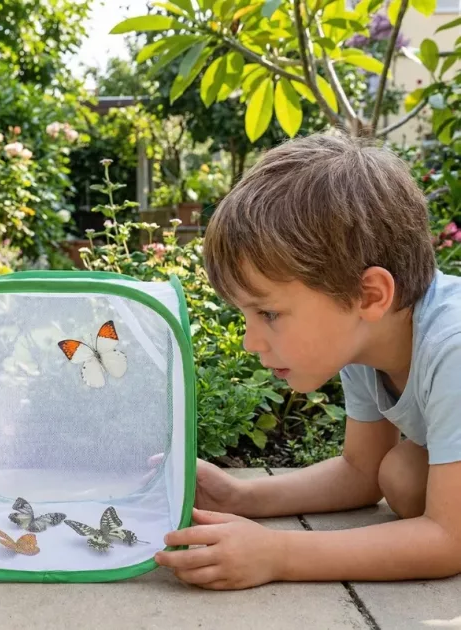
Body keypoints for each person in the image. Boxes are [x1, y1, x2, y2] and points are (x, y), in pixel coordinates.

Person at [155, 133, 461, 590]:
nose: (250, 342)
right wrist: (239, 496)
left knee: (406, 477)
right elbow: (361, 474)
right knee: (403, 475)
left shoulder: (452, 347)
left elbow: (447, 539)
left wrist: (278, 554)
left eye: (268, 313)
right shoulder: (363, 337)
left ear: (369, 295)